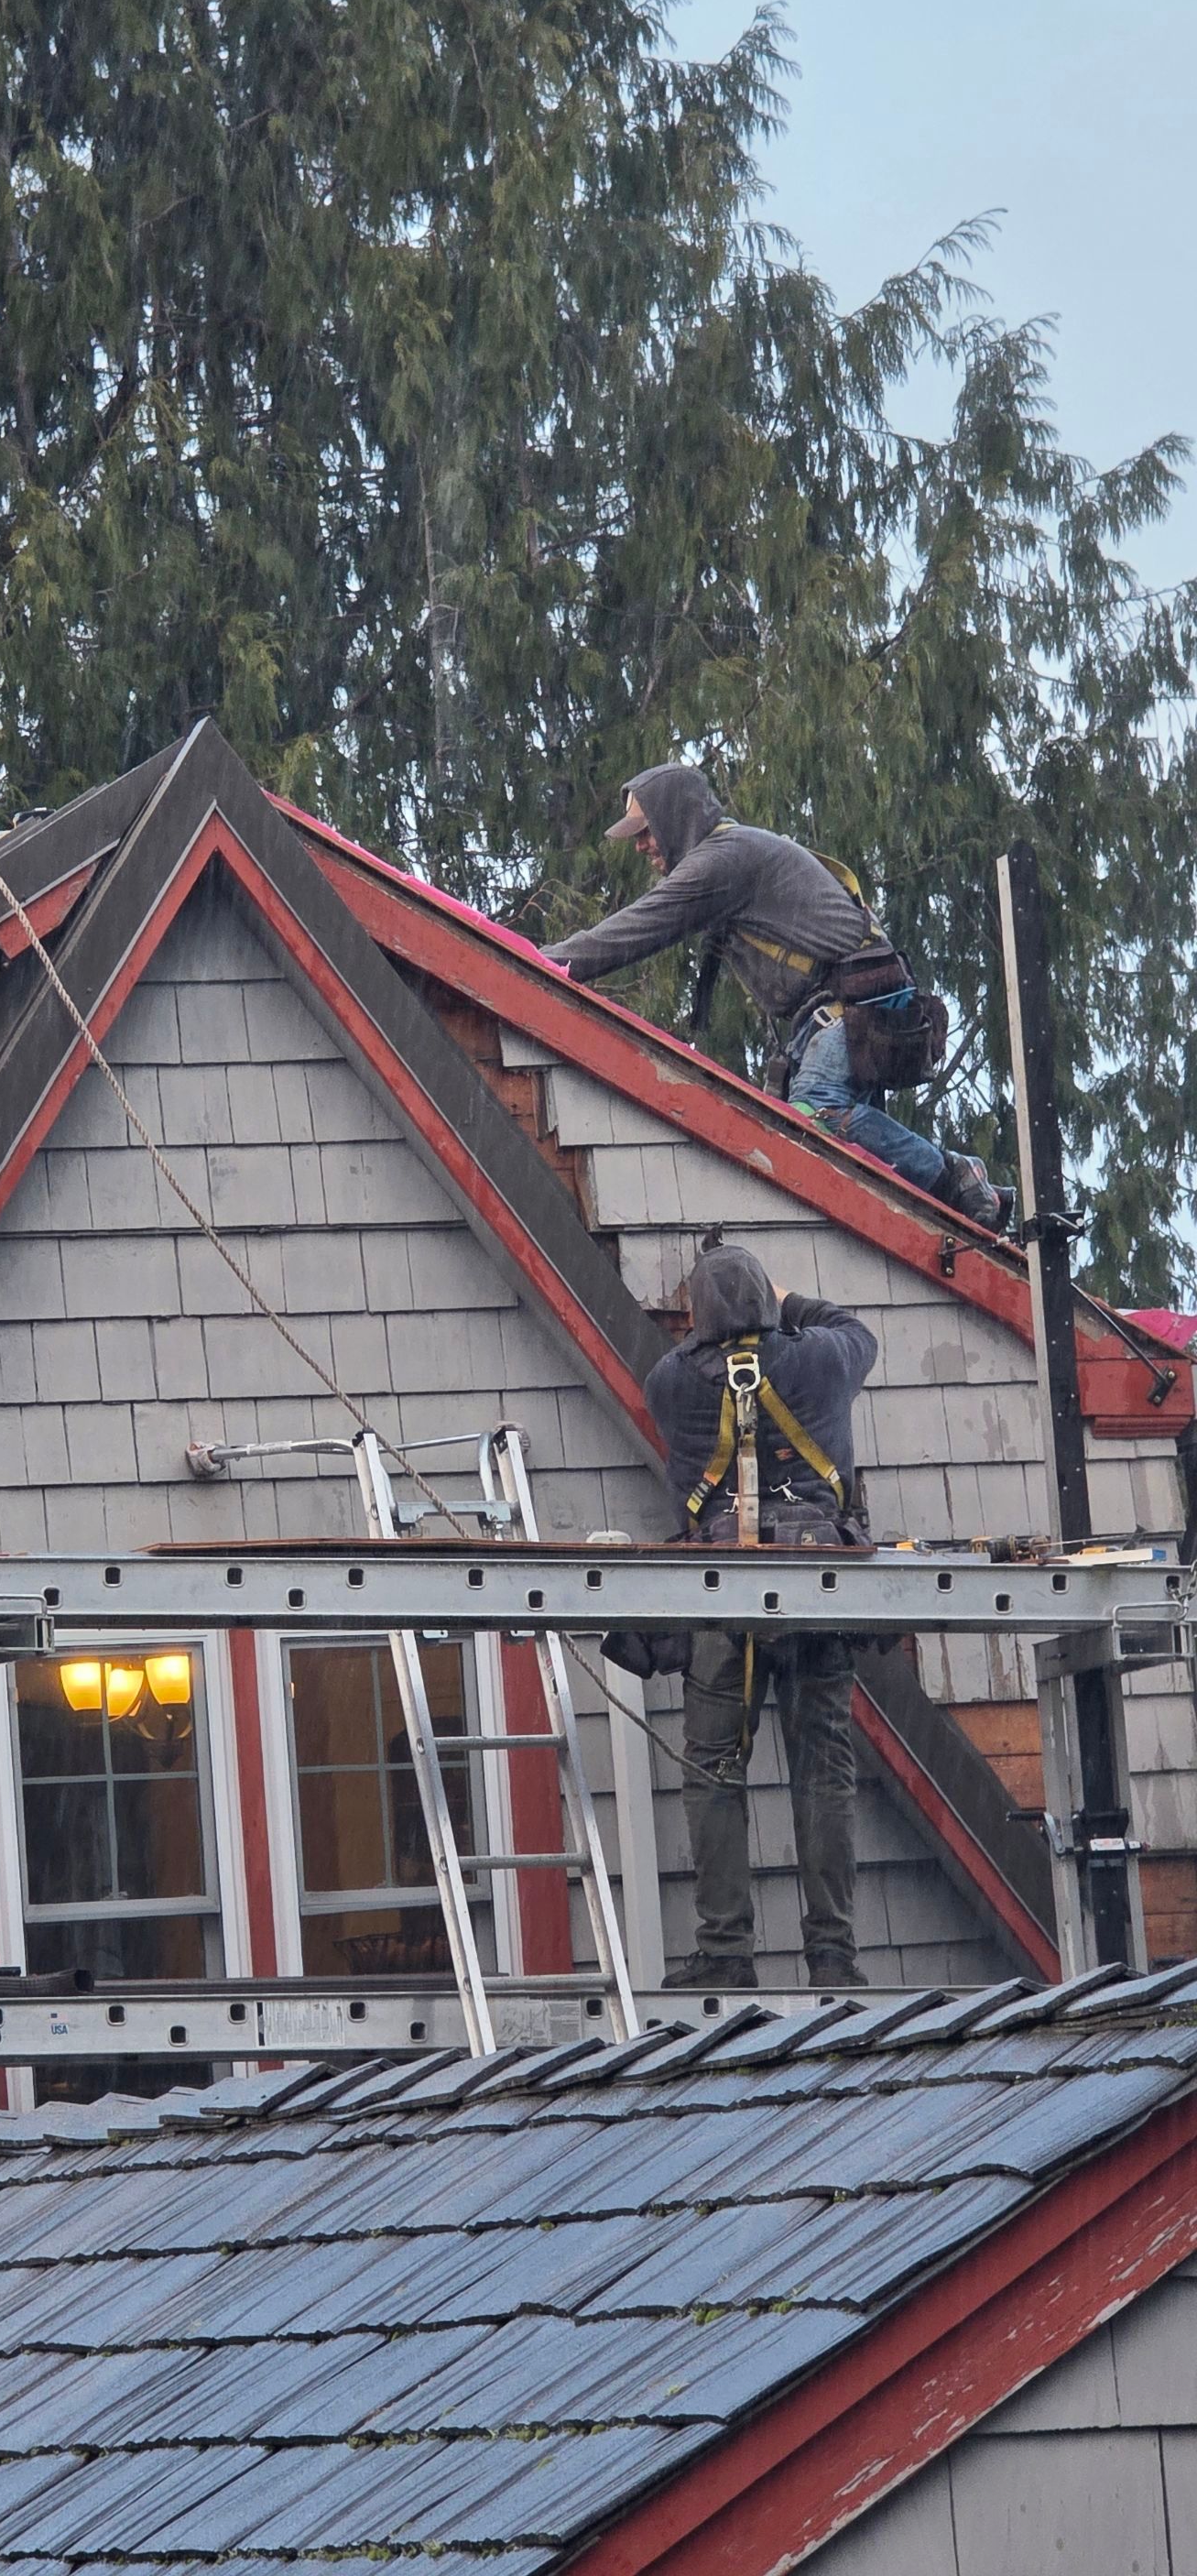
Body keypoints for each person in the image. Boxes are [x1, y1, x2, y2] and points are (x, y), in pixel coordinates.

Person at [539, 764, 1003, 1230]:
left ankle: (957, 1175)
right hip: (842, 1015)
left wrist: (537, 961)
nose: (640, 845)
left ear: (675, 819)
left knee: (817, 1114)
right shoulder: (733, 853)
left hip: (848, 1011)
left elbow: (636, 930)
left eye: (646, 831)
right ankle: (953, 1201)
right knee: (829, 1154)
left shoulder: (723, 859)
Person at [643, 1240, 878, 1992]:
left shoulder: (670, 1385)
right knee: (824, 1773)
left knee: (713, 1773)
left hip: (723, 1600)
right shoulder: (822, 1361)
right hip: (818, 1595)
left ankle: (725, 1955)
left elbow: (691, 1349)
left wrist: (725, 1315)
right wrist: (788, 1303)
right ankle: (834, 1957)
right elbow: (858, 1331)